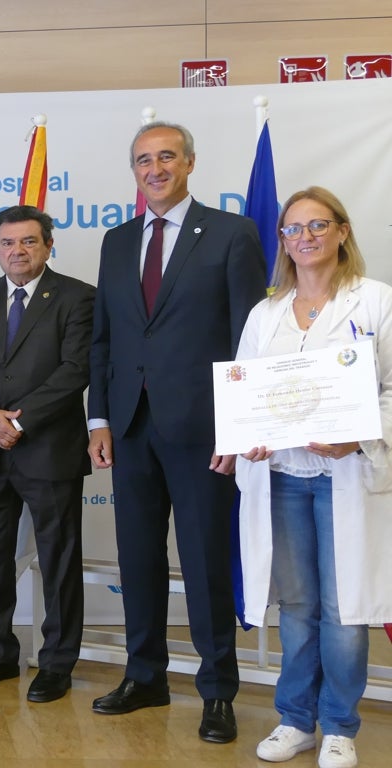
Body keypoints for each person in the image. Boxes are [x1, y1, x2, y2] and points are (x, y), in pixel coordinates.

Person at [87, 121, 266, 743]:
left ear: (189, 162)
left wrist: (237, 428)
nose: (155, 168)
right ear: (133, 171)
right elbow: (104, 338)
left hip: (203, 430)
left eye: (166, 157)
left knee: (205, 561)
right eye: (143, 160)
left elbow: (251, 339)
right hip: (130, 425)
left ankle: (217, 690)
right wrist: (100, 417)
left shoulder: (231, 234)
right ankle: (146, 676)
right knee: (138, 560)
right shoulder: (115, 241)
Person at [235, 187, 392, 768]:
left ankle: (340, 727)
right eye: (293, 229)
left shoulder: (377, 302)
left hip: (346, 475)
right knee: (298, 605)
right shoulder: (265, 312)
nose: (304, 237)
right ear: (282, 240)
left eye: (317, 225)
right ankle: (296, 719)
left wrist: (360, 436)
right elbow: (242, 390)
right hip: (280, 476)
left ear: (343, 231)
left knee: (344, 605)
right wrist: (240, 438)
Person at [0, 205, 94, 703]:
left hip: (48, 449)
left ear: (48, 246)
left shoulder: (78, 297)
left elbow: (76, 369)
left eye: (29, 241)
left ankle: (56, 663)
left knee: (58, 559)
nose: (18, 251)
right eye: (8, 243)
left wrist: (21, 421)